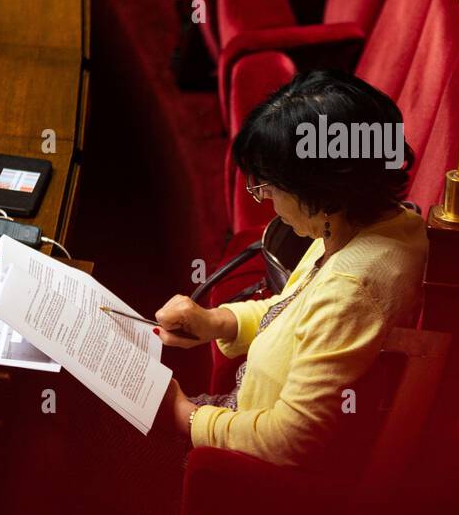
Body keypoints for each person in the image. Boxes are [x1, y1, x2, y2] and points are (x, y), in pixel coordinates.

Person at [153, 69, 430, 469]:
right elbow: (293, 309)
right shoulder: (372, 220)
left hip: (251, 471)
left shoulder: (352, 289)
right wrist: (217, 321)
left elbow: (290, 440)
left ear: (322, 191)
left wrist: (184, 416)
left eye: (270, 187)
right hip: (243, 413)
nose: (266, 200)